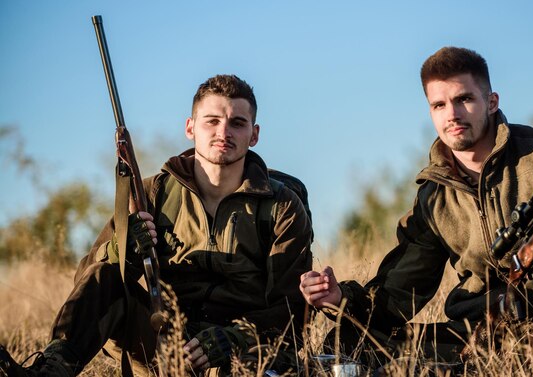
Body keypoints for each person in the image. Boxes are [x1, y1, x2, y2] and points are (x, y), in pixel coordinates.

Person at [299, 47, 533, 374]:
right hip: (483, 333)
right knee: (347, 341)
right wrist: (340, 297)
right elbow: (398, 293)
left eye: (464, 99)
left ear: (492, 102)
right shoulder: (433, 197)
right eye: (439, 105)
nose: (452, 114)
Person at [0, 74, 313, 376]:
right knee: (105, 272)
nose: (223, 132)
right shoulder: (152, 193)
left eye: (237, 123)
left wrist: (236, 337)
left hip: (241, 351)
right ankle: (50, 371)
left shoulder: (282, 205)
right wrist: (125, 250)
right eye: (212, 121)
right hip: (163, 342)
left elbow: (291, 308)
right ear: (190, 127)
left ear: (254, 134)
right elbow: (89, 279)